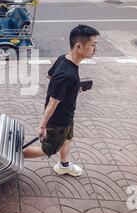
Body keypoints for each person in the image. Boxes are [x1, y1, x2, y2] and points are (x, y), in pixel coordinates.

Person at [23, 25, 100, 177]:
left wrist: (70, 89)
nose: (95, 49)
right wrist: (42, 126)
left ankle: (64, 165)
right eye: (93, 45)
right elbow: (53, 102)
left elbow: (50, 76)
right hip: (58, 121)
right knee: (48, 150)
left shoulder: (63, 59)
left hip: (66, 116)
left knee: (67, 138)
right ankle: (14, 155)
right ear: (79, 46)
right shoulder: (68, 75)